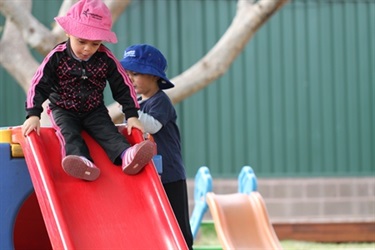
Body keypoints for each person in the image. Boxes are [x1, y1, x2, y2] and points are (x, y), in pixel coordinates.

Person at [21, 0, 156, 181]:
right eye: (82, 41)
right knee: (68, 133)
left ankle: (126, 156)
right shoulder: (58, 56)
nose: (87, 49)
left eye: (95, 43)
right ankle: (81, 161)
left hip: (94, 109)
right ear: (68, 32)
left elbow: (122, 85)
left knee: (108, 132)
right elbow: (39, 84)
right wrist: (33, 114)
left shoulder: (105, 58)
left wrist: (132, 115)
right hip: (63, 109)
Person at [120, 44, 194, 249]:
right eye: (127, 74)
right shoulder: (141, 104)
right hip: (151, 173)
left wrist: (129, 109)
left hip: (169, 173)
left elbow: (151, 125)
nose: (130, 79)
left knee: (178, 225)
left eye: (136, 74)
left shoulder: (160, 101)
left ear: (154, 76)